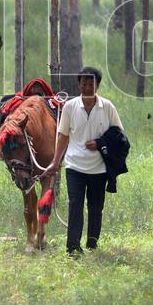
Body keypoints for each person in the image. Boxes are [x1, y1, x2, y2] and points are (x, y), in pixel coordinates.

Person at [48, 66, 124, 256]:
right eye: (84, 83)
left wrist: (100, 143)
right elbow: (63, 136)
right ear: (79, 84)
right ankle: (73, 247)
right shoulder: (70, 107)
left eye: (91, 84)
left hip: (99, 169)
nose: (88, 87)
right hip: (74, 166)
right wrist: (55, 162)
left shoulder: (107, 107)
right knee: (75, 205)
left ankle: (92, 244)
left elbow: (119, 136)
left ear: (97, 85)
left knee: (96, 208)